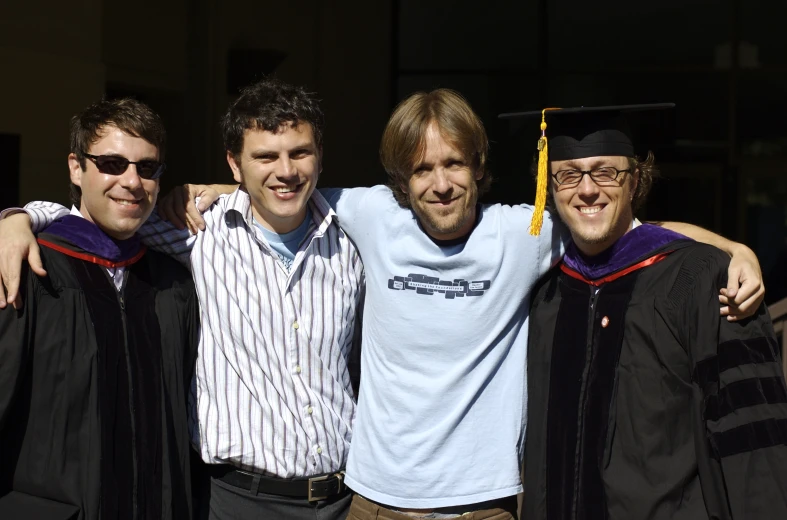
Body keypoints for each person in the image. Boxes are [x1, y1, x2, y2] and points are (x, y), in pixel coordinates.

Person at [146, 90, 764, 519]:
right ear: (400, 180)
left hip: (485, 505)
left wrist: (735, 247)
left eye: (454, 164)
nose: (439, 183)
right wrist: (209, 189)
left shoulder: (524, 233)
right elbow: (281, 188)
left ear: (478, 167)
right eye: (421, 169)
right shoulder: (369, 214)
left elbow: (631, 227)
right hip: (369, 504)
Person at [0, 79, 363, 520]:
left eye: (148, 169)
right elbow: (92, 218)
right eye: (264, 156)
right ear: (235, 164)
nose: (131, 182)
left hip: (343, 498)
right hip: (232, 501)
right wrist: (16, 217)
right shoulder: (198, 234)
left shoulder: (357, 240)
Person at [508, 104, 787, 519]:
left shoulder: (700, 281)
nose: (587, 190)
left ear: (634, 179)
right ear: (548, 186)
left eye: (606, 172)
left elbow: (754, 446)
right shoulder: (540, 288)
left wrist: (734, 250)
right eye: (568, 174)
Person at [0, 98, 200, 519]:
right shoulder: (28, 271)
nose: (131, 181)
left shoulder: (173, 282)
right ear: (76, 168)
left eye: (147, 168)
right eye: (112, 163)